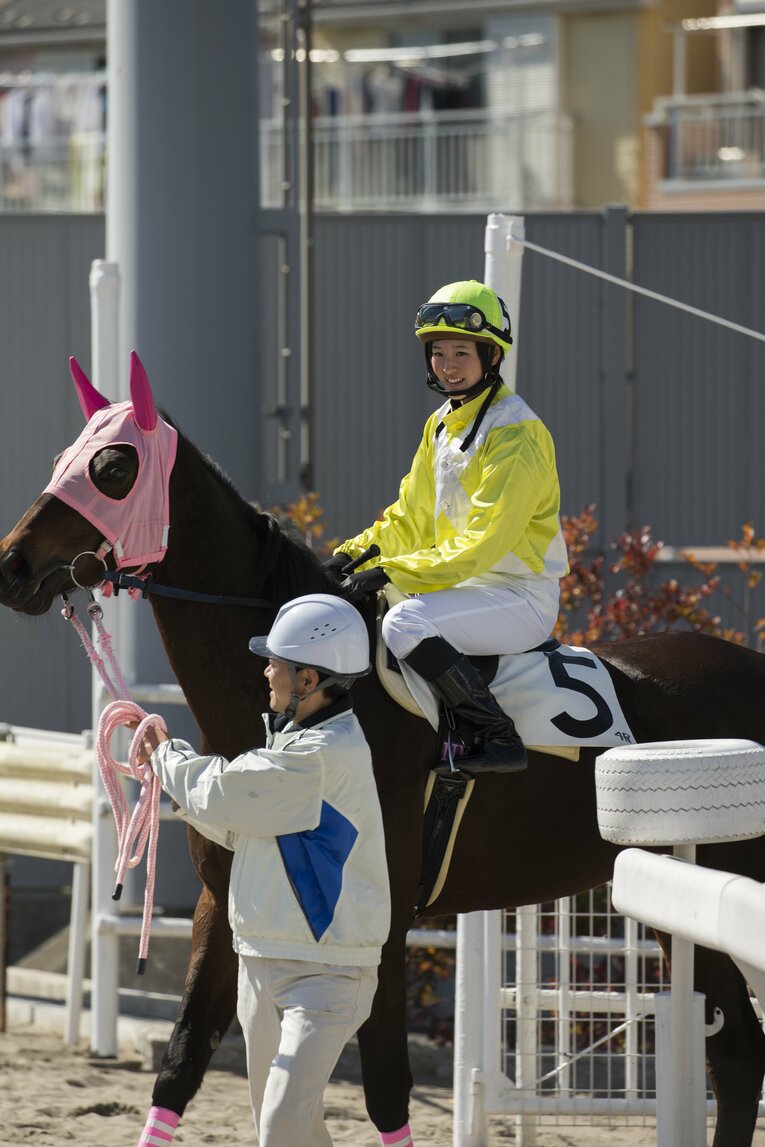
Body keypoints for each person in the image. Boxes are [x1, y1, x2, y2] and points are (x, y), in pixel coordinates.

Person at [134, 593, 391, 1147]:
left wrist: (166, 757)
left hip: (325, 976)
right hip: (261, 961)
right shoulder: (297, 744)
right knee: (287, 1130)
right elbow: (239, 823)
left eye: (276, 660)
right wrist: (177, 781)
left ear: (308, 680)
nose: (266, 668)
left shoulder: (318, 753)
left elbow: (228, 795)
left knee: (279, 1128)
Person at [326, 279, 568, 774]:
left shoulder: (517, 433)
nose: (448, 365)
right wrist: (352, 555)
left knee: (404, 621)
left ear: (492, 357)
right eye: (438, 353)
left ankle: (494, 734)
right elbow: (410, 517)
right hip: (466, 587)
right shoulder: (441, 423)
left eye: (462, 352)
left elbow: (484, 542)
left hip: (519, 597)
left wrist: (392, 572)